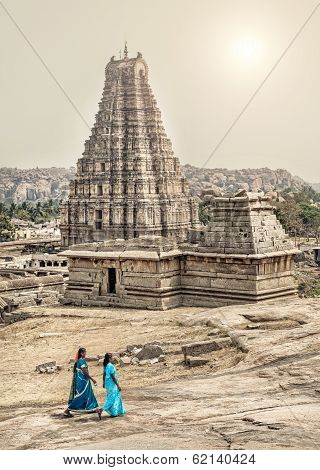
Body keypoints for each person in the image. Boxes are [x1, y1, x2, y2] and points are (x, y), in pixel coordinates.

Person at [64, 347, 99, 417]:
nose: (85, 354)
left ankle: (92, 407)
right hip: (83, 381)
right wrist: (92, 379)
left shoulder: (80, 360)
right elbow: (84, 372)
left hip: (84, 380)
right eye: (84, 352)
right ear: (81, 353)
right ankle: (67, 410)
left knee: (88, 393)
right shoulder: (81, 361)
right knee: (81, 395)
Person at [98, 353, 126, 419]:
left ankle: (115, 412)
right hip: (112, 384)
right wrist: (118, 385)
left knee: (113, 397)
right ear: (109, 359)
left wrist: (104, 383)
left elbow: (104, 374)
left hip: (108, 384)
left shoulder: (105, 365)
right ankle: (101, 409)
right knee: (112, 399)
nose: (113, 358)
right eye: (112, 357)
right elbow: (113, 377)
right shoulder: (110, 365)